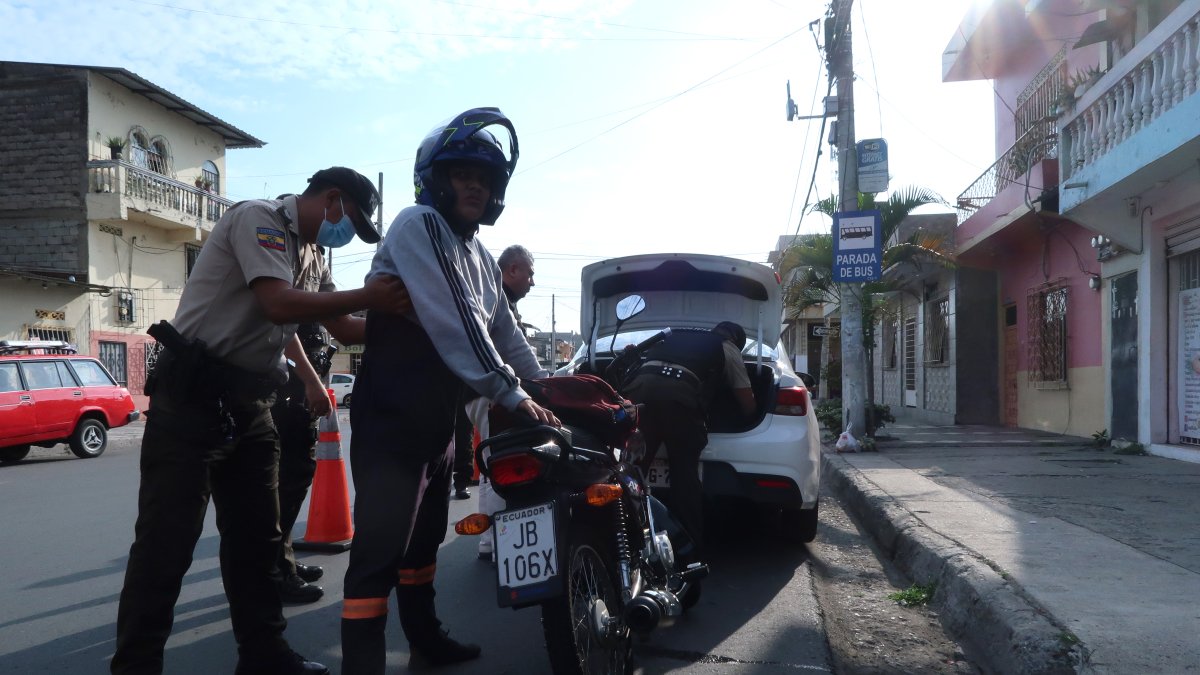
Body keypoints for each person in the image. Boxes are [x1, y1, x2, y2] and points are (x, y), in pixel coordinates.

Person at [112, 167, 408, 675]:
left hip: (251, 406)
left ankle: (264, 655)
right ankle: (136, 667)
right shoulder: (260, 220)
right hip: (192, 401)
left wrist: (407, 322)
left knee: (259, 543)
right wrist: (369, 298)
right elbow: (277, 303)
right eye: (350, 223)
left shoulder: (313, 253)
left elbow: (338, 325)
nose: (346, 235)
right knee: (166, 546)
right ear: (331, 200)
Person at [340, 108, 558, 674]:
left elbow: (503, 331)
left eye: (484, 180)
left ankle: (424, 637)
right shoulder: (419, 226)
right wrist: (514, 394)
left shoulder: (481, 255)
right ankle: (362, 664)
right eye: (463, 174)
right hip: (393, 419)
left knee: (423, 546)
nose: (475, 186)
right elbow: (462, 325)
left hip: (439, 421)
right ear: (435, 178)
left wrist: (543, 385)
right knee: (379, 553)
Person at [624, 321, 756, 558]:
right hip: (678, 401)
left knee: (633, 470)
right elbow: (745, 397)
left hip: (639, 393)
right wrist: (750, 419)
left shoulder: (670, 336)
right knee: (684, 475)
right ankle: (689, 550)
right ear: (737, 340)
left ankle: (624, 542)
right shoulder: (727, 346)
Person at [472, 243, 537, 560]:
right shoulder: (495, 297)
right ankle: (501, 543)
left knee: (490, 465)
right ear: (513, 269)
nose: (532, 282)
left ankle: (489, 540)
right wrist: (544, 383)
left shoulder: (497, 296)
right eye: (530, 273)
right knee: (500, 463)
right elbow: (515, 351)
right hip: (491, 392)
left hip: (481, 392)